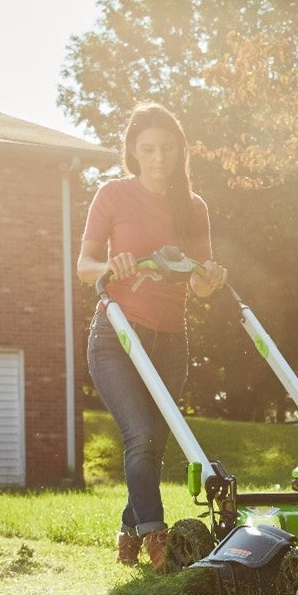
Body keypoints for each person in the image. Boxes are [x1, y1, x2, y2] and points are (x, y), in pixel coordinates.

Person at [77, 103, 226, 570]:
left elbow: (199, 284)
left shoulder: (193, 207)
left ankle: (127, 531)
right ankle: (154, 538)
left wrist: (212, 278)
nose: (159, 156)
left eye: (167, 147)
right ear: (133, 153)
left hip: (169, 340)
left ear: (181, 150)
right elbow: (83, 269)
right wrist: (110, 266)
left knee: (152, 445)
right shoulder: (113, 195)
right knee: (141, 435)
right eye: (148, 149)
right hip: (116, 336)